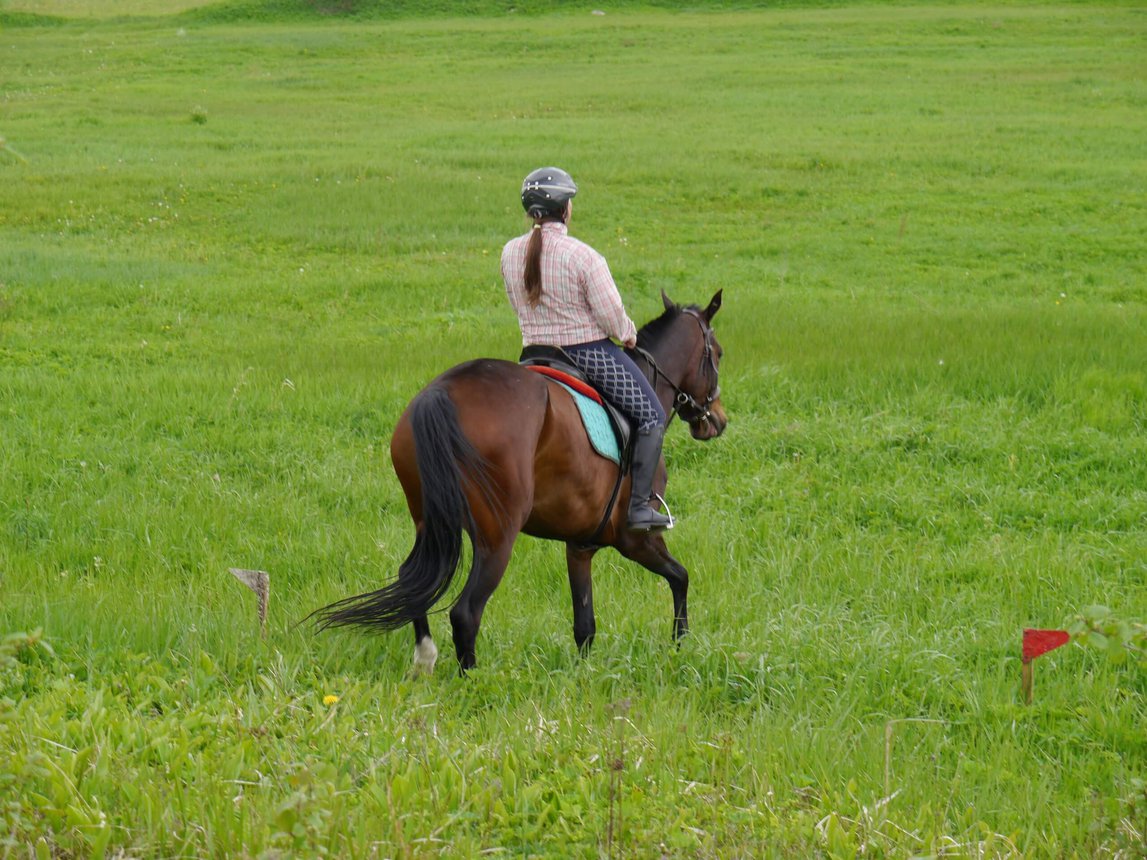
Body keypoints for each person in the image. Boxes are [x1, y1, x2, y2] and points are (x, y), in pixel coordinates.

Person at [501, 166, 672, 532]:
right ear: (565, 208)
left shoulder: (509, 253)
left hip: (533, 355)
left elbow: (518, 305)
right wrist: (627, 334)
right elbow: (611, 317)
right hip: (587, 354)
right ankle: (639, 508)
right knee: (652, 416)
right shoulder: (584, 257)